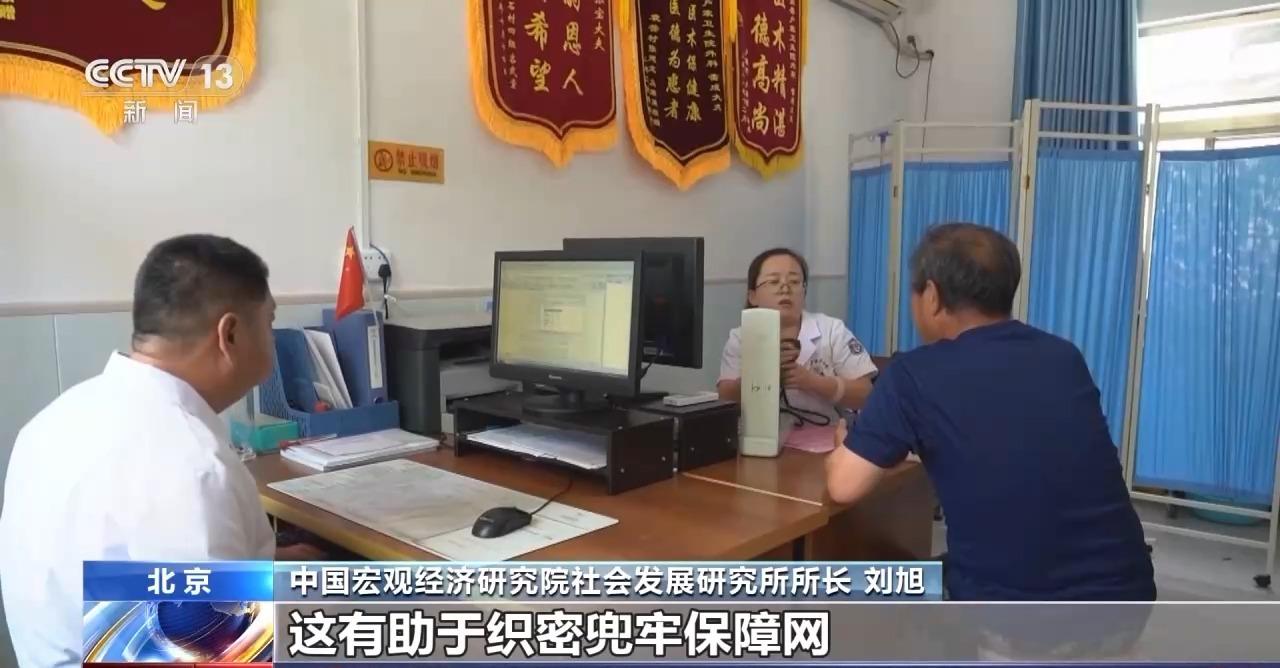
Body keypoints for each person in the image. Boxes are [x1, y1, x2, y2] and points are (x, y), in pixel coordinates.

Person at [0, 234, 321, 668]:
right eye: (269, 321)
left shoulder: (50, 422)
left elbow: (148, 582)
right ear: (230, 334)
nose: (272, 336)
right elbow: (211, 645)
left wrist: (269, 566)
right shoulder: (192, 465)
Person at [825, 223, 1155, 600]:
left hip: (1014, 611)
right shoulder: (1063, 356)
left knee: (862, 584)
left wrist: (844, 445)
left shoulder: (915, 374)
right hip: (1127, 592)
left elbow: (843, 486)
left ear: (931, 296)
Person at [718, 248, 877, 431]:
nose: (785, 288)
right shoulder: (740, 337)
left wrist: (812, 382)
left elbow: (866, 394)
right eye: (773, 281)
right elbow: (725, 397)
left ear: (804, 291)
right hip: (758, 437)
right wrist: (762, 374)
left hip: (823, 437)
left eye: (794, 281)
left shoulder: (833, 330)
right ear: (753, 296)